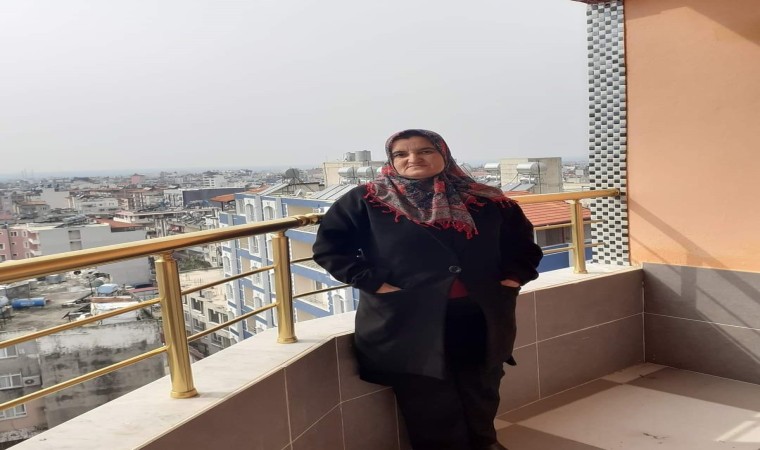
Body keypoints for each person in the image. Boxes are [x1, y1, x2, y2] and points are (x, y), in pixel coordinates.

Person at [312, 129, 543, 450]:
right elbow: (330, 249)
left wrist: (513, 278)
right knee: (427, 399)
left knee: (482, 388)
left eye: (424, 151)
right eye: (401, 154)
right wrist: (374, 282)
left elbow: (523, 246)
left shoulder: (488, 200)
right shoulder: (367, 199)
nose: (413, 158)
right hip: (408, 318)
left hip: (478, 314)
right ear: (391, 160)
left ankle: (485, 443)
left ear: (443, 154)